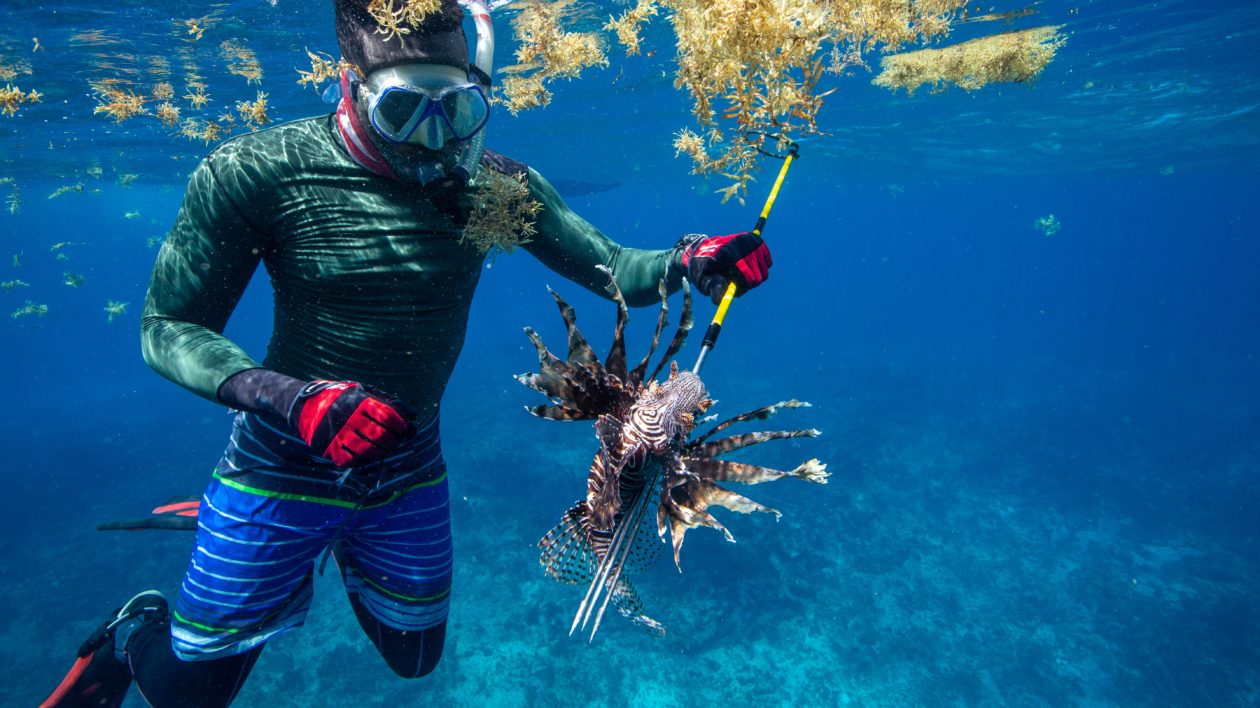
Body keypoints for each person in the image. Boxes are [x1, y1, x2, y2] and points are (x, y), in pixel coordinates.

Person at [42, 1, 771, 706]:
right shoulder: (257, 171)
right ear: (347, 84)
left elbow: (615, 267)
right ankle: (135, 631)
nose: (433, 139)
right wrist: (289, 400)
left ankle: (316, 550)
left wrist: (691, 258)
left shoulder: (498, 187)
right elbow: (166, 327)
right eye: (403, 109)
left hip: (408, 460)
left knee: (414, 659)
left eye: (456, 110)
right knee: (192, 695)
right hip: (282, 454)